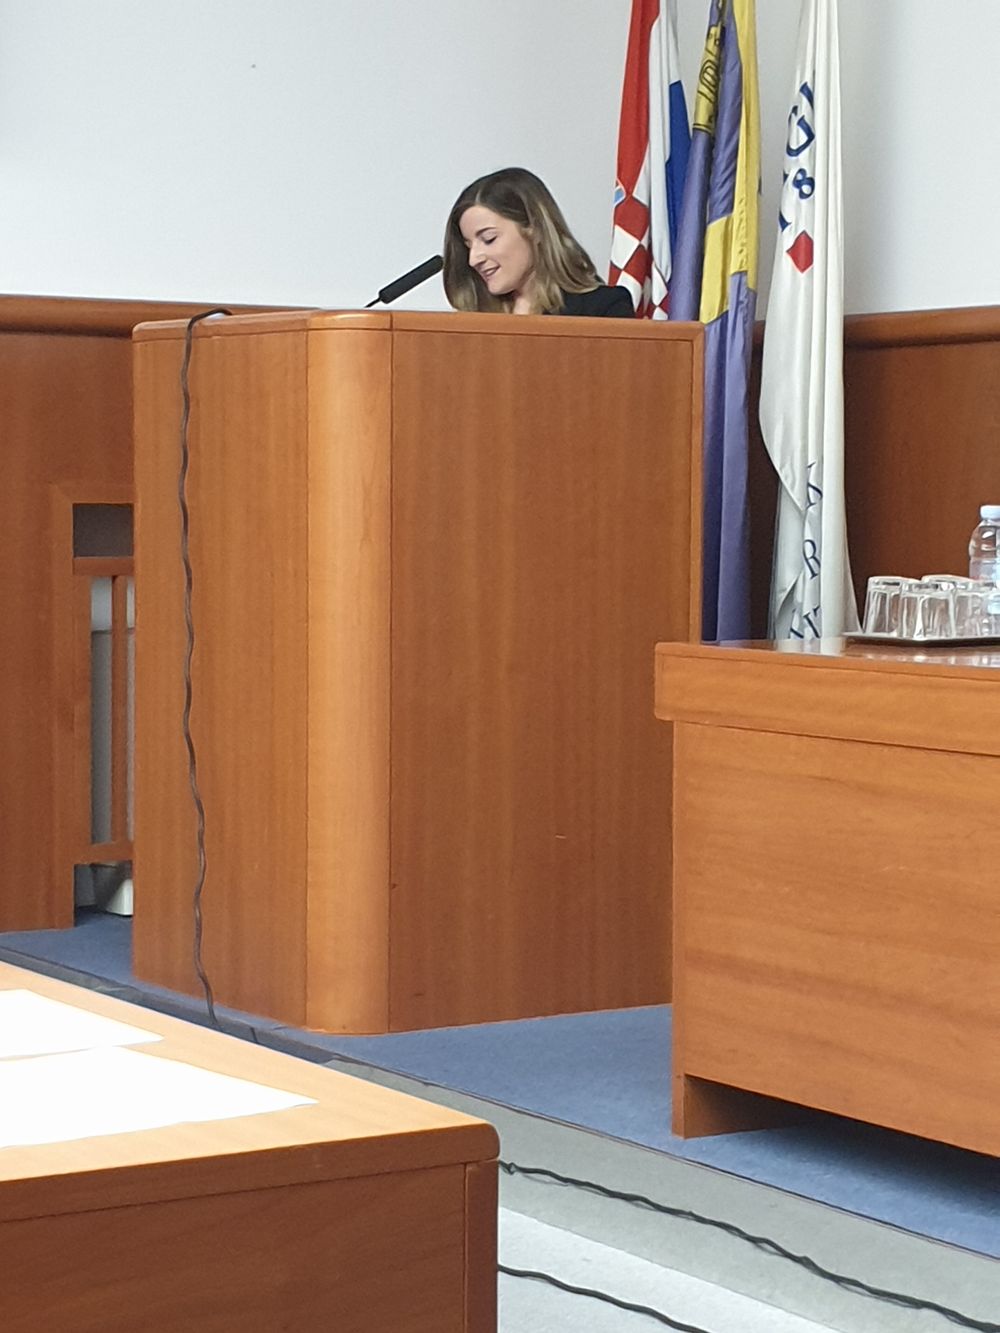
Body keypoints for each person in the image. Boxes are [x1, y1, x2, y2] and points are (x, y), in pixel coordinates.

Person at [443, 167, 635, 318]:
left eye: (488, 239)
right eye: (468, 246)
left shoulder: (602, 308)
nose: (473, 259)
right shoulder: (471, 320)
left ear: (535, 229)